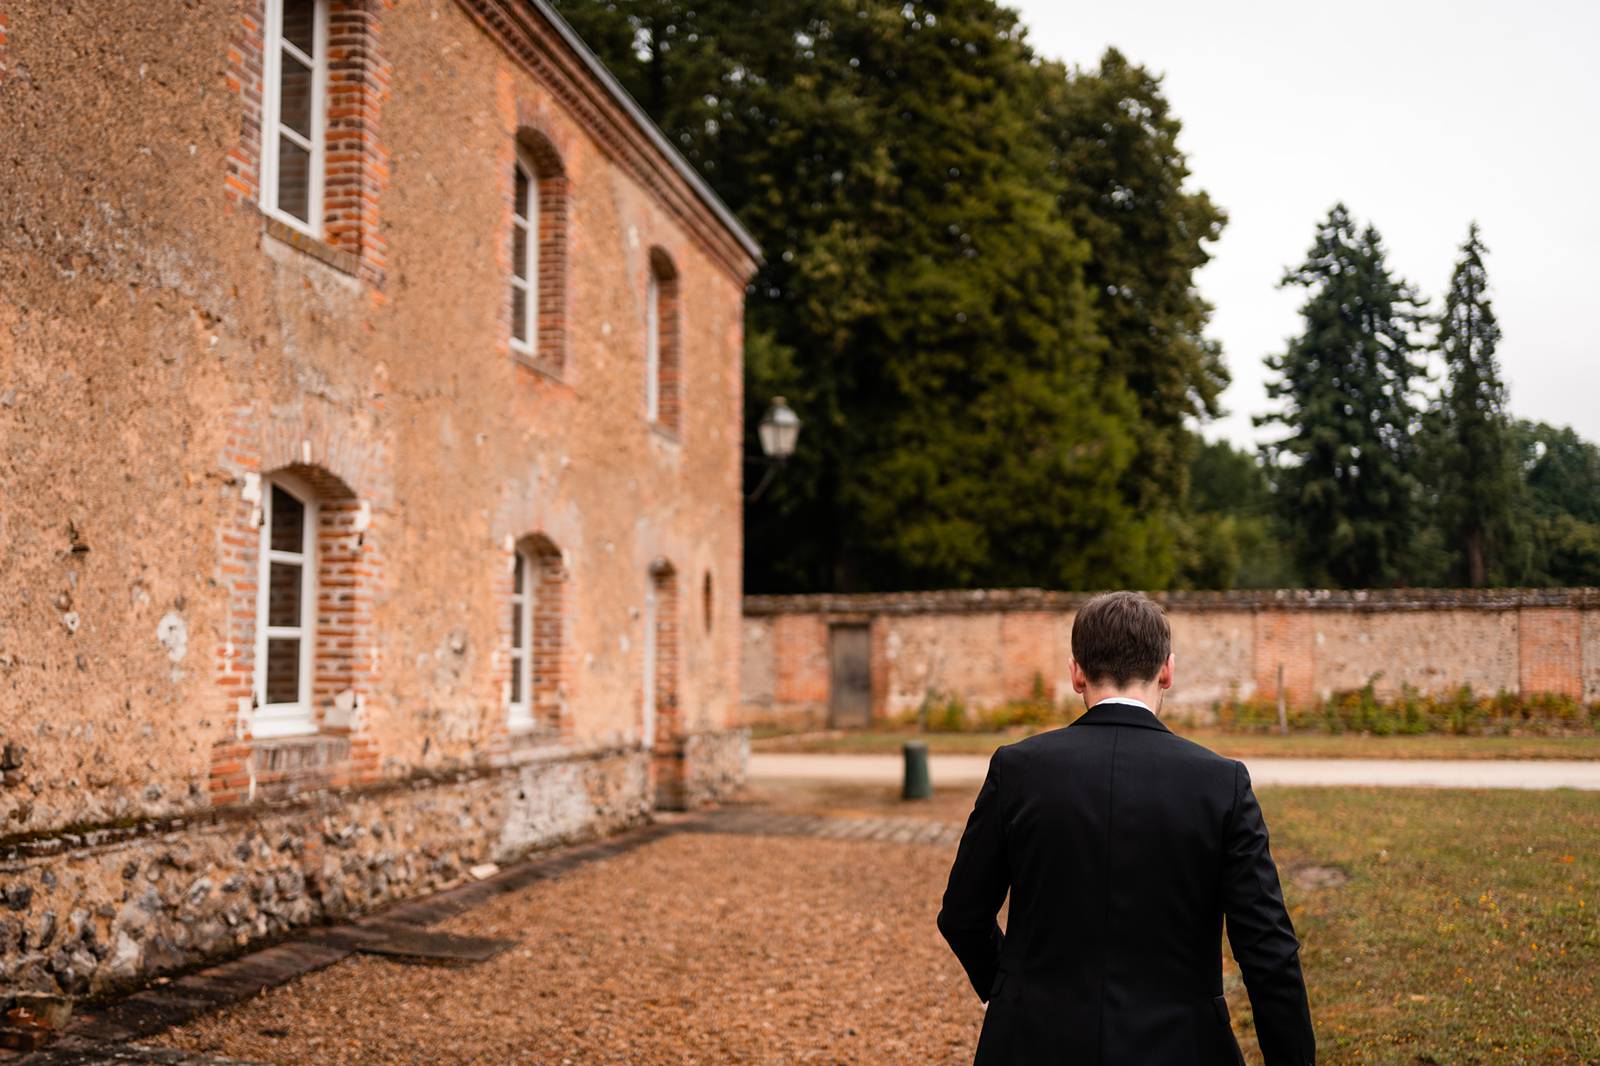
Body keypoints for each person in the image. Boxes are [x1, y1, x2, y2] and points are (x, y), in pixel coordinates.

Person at [937, 591, 1315, 1065]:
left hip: (1031, 1042)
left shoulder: (1018, 770)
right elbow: (1269, 953)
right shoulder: (1222, 784)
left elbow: (961, 915)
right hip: (1183, 1046)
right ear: (1167, 671)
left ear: (1076, 672)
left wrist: (1013, 992)